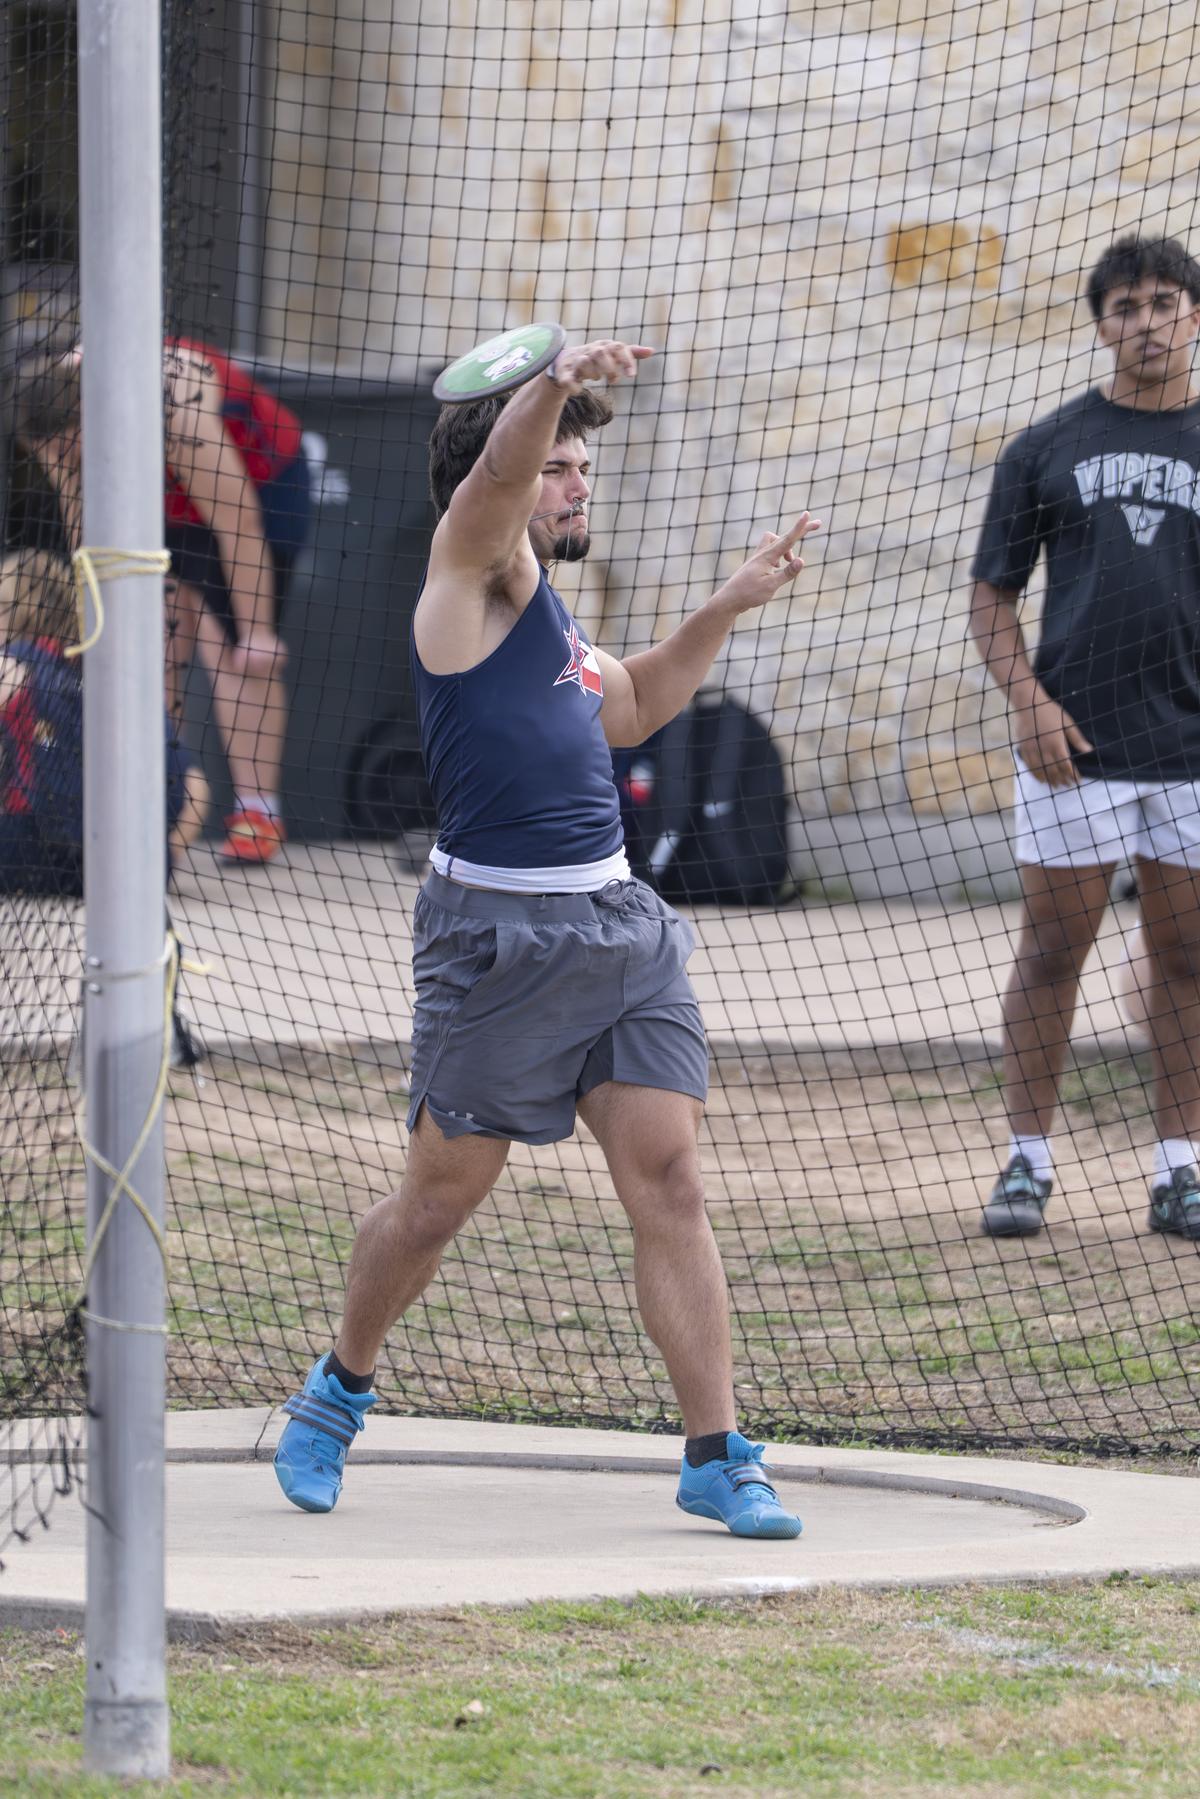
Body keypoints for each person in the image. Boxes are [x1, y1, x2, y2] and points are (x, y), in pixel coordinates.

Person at [274, 336, 821, 1535]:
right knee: (436, 1204)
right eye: (562, 468)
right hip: (496, 942)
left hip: (620, 929)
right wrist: (552, 384)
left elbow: (639, 703)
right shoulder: (463, 574)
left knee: (669, 1177)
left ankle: (716, 1453)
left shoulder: (554, 617)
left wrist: (728, 603)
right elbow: (494, 480)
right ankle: (337, 1389)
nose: (580, 486)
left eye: (585, 468)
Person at [971, 233, 1200, 1241]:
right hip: (1076, 746)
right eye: (1126, 307)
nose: (1146, 322)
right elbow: (991, 597)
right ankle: (1027, 1159)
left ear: (1195, 314)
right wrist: (1028, 702)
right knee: (1053, 949)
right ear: (1102, 326)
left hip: (1191, 751)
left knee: (1188, 957)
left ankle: (1181, 1170)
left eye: (1164, 303)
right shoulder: (1046, 446)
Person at [8, 336, 310, 864]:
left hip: (260, 483)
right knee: (150, 651)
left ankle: (257, 813)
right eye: (52, 451)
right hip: (157, 494)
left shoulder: (172, 406)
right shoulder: (47, 421)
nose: (63, 458)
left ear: (89, 412)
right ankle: (155, 803)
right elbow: (82, 521)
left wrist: (257, 631)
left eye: (68, 444)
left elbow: (237, 521)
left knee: (229, 647)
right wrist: (94, 625)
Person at [0, 548, 205, 894]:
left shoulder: (17, 660)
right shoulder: (109, 673)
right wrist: (165, 854)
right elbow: (197, 787)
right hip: (126, 865)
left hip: (31, 852)